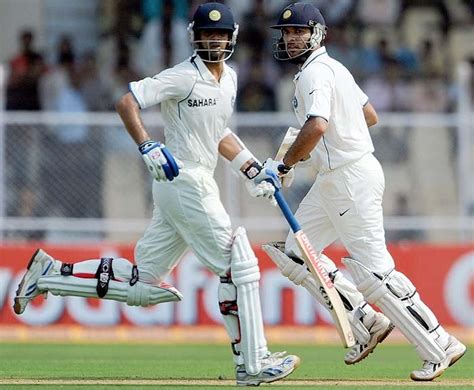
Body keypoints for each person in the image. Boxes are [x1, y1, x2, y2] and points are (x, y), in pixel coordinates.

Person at [13, 3, 299, 386]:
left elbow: (219, 134)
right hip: (183, 179)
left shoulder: (228, 79)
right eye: (205, 34)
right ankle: (253, 364)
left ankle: (49, 275)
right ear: (194, 38)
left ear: (230, 39)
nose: (212, 41)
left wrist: (250, 167)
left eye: (219, 35)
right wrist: (147, 144)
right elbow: (127, 101)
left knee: (143, 284)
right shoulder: (181, 76)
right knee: (237, 264)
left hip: (190, 183)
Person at [262, 2, 466, 382]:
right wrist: (325, 147)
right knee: (296, 253)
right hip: (333, 179)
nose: (290, 39)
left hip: (349, 178)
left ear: (317, 34)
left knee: (374, 272)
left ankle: (439, 343)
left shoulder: (315, 74)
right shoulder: (333, 69)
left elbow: (318, 125)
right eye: (286, 33)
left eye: (298, 32)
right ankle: (365, 321)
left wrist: (285, 164)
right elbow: (368, 115)